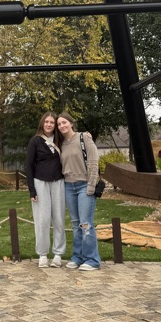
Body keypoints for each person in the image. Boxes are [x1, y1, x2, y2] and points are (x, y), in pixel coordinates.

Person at [56, 111, 101, 271]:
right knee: (76, 224)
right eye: (59, 124)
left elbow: (94, 162)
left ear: (71, 123)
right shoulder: (61, 143)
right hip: (68, 186)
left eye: (64, 122)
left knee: (86, 223)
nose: (62, 126)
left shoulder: (84, 138)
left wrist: (91, 184)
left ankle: (92, 259)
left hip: (84, 185)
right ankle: (78, 257)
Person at [25, 112, 67, 268]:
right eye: (46, 122)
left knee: (59, 219)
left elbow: (74, 136)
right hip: (40, 183)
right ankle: (42, 254)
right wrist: (32, 190)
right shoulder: (35, 141)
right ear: (42, 123)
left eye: (52, 122)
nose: (49, 124)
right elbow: (28, 166)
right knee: (42, 220)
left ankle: (58, 254)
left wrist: (86, 135)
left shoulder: (60, 140)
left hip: (58, 183)